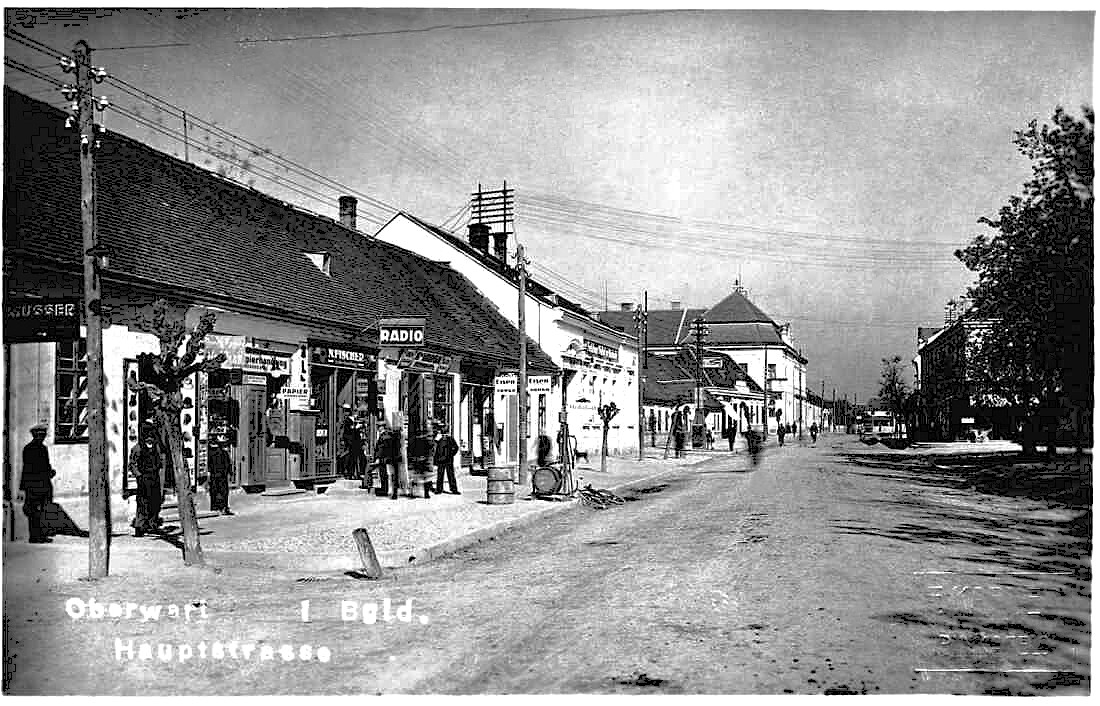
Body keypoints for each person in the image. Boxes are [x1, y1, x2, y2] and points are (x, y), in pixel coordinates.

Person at [19, 423, 55, 543]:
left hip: (36, 485)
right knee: (38, 511)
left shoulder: (32, 448)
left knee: (37, 512)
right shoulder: (36, 449)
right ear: (35, 435)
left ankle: (37, 536)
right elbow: (32, 468)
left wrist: (23, 487)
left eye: (43, 435)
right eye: (41, 435)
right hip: (38, 485)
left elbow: (29, 468)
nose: (43, 437)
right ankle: (37, 536)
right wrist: (51, 472)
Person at [130, 425, 165, 537]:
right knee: (142, 502)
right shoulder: (138, 448)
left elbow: (160, 461)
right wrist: (139, 476)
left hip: (154, 477)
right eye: (147, 435)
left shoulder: (156, 447)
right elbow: (132, 464)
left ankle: (152, 524)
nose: (150, 438)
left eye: (151, 435)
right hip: (143, 478)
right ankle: (140, 526)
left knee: (155, 501)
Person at [207, 433, 234, 515]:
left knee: (214, 491)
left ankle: (215, 507)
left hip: (214, 475)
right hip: (222, 475)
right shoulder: (224, 453)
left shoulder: (211, 453)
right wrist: (230, 473)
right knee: (223, 492)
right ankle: (223, 507)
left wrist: (209, 474)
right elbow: (228, 464)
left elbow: (209, 465)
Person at [340, 404, 366, 480]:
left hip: (356, 442)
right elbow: (347, 432)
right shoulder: (347, 420)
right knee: (351, 459)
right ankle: (350, 473)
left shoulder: (353, 420)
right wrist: (355, 428)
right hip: (351, 443)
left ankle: (357, 473)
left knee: (358, 458)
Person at [434, 424, 461, 495]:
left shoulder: (450, 438)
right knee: (440, 475)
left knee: (450, 475)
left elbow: (456, 447)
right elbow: (435, 449)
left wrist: (451, 454)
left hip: (448, 460)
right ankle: (439, 489)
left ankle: (453, 489)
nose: (443, 430)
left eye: (444, 429)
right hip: (441, 460)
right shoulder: (438, 438)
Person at [374, 421, 397, 498]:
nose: (378, 428)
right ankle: (384, 489)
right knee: (384, 474)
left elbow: (381, 448)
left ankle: (384, 490)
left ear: (382, 427)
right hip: (385, 458)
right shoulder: (385, 435)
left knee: (383, 474)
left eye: (379, 427)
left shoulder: (384, 436)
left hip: (383, 458)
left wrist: (378, 458)